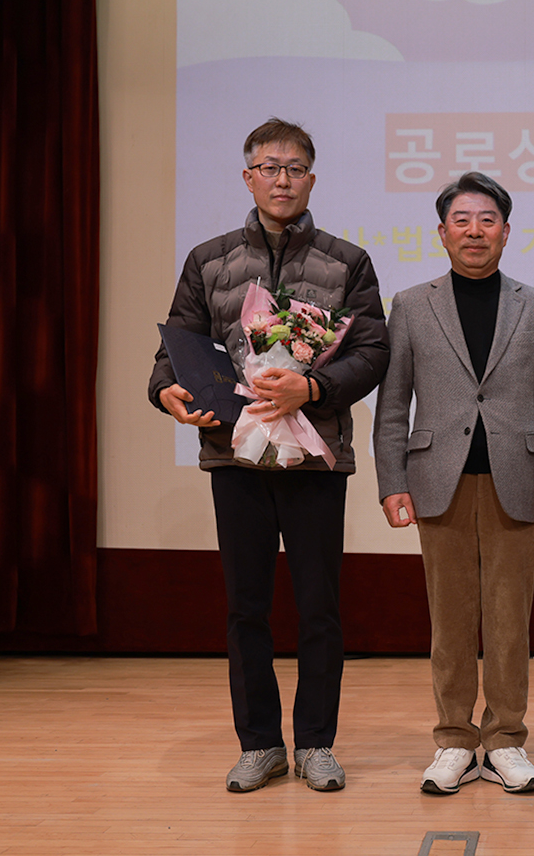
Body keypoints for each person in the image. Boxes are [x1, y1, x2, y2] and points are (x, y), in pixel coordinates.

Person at [148, 118, 389, 793]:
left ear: (311, 179)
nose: (282, 179)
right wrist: (165, 390)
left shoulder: (347, 261)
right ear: (248, 177)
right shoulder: (209, 259)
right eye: (269, 168)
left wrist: (311, 387)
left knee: (319, 607)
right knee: (246, 607)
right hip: (236, 457)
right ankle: (259, 744)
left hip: (316, 459)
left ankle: (315, 742)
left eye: (294, 168)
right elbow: (177, 348)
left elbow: (373, 351)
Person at [373, 171, 534, 795]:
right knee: (450, 621)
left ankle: (506, 739)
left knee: (510, 621)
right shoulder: (411, 304)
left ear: (506, 232)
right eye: (462, 220)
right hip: (438, 481)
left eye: (488, 220)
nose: (475, 231)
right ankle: (454, 741)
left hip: (520, 479)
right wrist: (391, 481)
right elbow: (392, 405)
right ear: (442, 232)